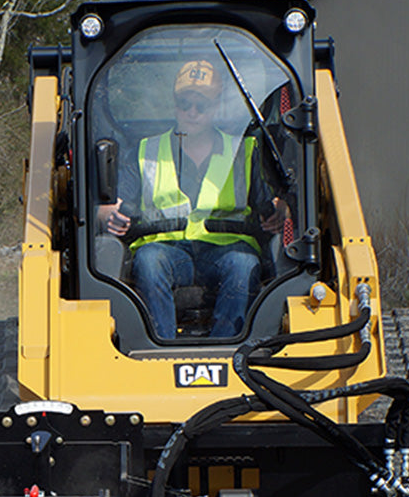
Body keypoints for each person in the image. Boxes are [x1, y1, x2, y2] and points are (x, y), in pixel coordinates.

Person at [101, 60, 287, 339]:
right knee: (149, 261)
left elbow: (272, 203)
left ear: (216, 107)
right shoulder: (146, 150)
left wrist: (280, 212)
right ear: (174, 104)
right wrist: (109, 215)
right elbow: (108, 205)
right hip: (167, 248)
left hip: (226, 248)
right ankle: (160, 347)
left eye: (202, 105)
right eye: (184, 103)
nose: (192, 111)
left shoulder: (244, 150)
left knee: (244, 265)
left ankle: (225, 348)